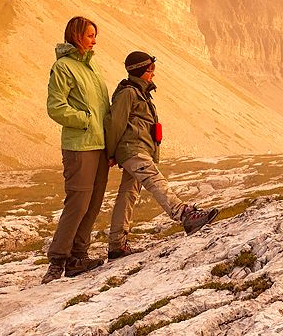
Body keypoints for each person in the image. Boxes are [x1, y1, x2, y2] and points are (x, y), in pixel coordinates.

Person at [105, 50, 218, 259]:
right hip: (132, 150)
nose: (153, 74)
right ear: (139, 71)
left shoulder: (141, 93)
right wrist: (111, 153)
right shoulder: (128, 93)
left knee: (128, 195)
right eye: (150, 70)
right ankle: (184, 215)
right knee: (155, 180)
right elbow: (115, 124)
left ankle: (116, 245)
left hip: (137, 149)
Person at [41, 16, 111, 284]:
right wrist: (84, 120)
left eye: (95, 35)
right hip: (80, 145)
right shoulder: (63, 67)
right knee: (77, 203)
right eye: (90, 35)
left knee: (93, 203)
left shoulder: (92, 66)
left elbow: (102, 106)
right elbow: (55, 106)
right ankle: (57, 260)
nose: (95, 40)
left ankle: (78, 258)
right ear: (76, 35)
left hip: (100, 145)